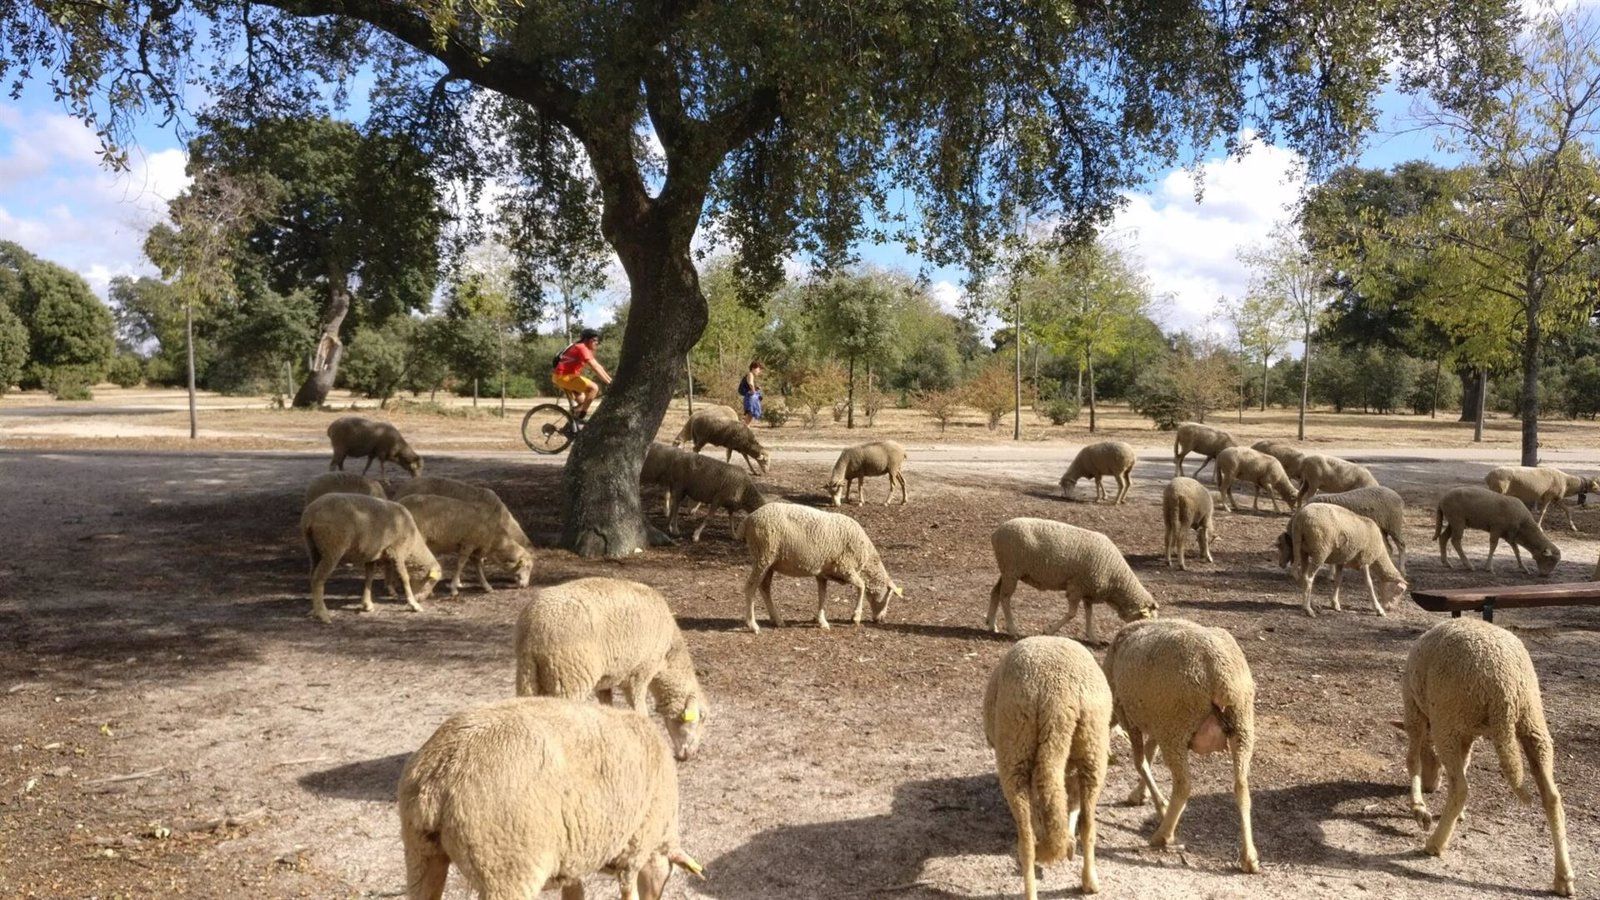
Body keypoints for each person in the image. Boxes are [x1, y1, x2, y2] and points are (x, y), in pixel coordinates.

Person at [552, 328, 612, 422]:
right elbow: (594, 367)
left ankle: (573, 426)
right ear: (586, 340)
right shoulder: (582, 348)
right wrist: (609, 383)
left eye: (597, 340)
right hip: (563, 377)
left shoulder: (583, 348)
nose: (597, 343)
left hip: (565, 377)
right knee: (594, 388)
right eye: (594, 340)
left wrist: (611, 381)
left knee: (584, 402)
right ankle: (581, 415)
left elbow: (598, 366)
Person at [738, 361, 764, 425]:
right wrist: (753, 391)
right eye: (759, 369)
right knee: (749, 416)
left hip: (750, 398)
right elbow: (750, 383)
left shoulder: (751, 375)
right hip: (750, 398)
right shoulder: (750, 374)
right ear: (753, 368)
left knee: (749, 416)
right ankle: (742, 431)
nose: (759, 371)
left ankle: (744, 430)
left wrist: (756, 388)